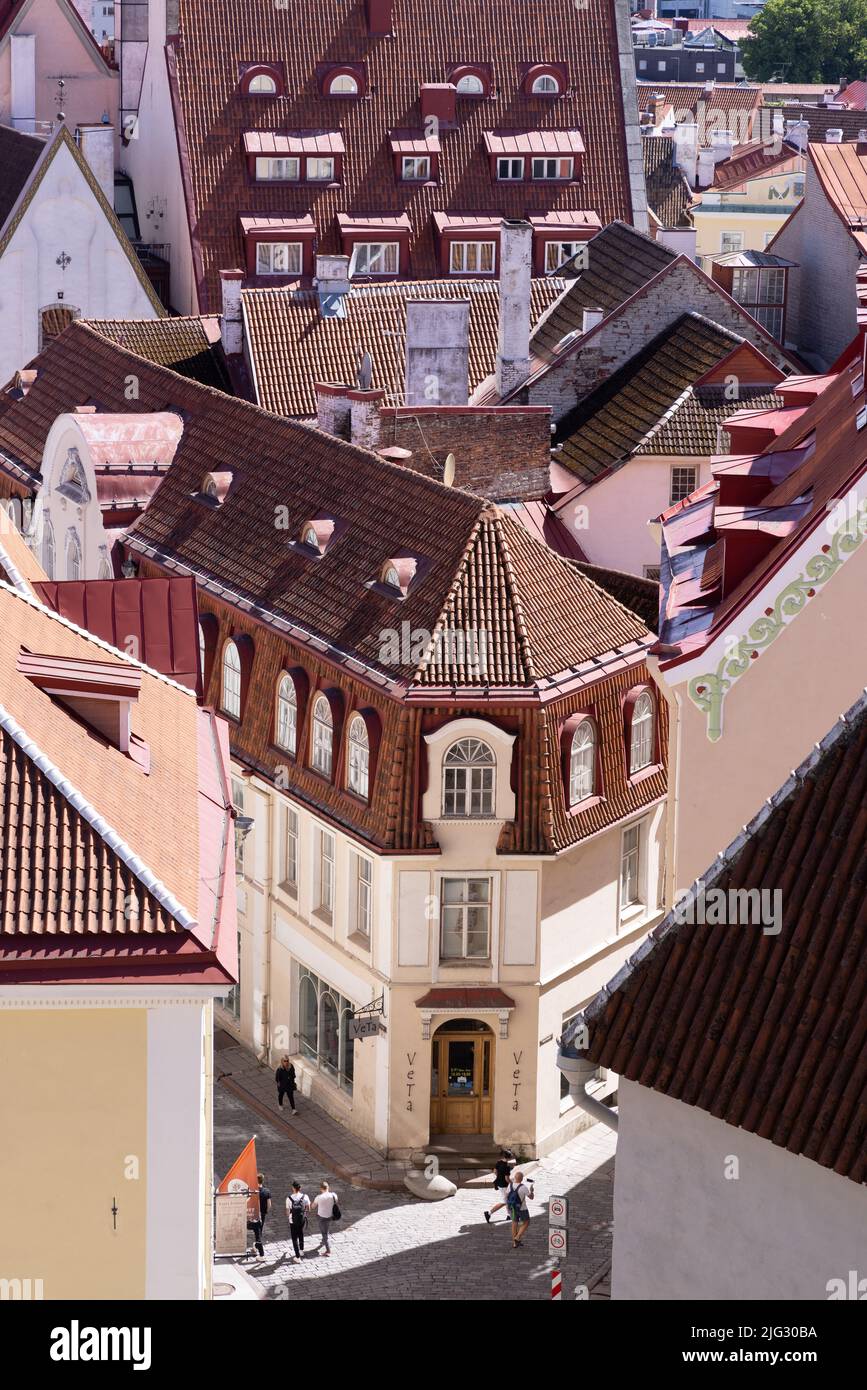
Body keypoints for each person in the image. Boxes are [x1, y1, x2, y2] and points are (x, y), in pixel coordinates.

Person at [484, 1149, 515, 1223]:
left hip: (499, 1183)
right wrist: (512, 1183)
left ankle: (509, 1215)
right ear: (509, 1158)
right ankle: (489, 1213)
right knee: (504, 1201)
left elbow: (495, 1171)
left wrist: (499, 1177)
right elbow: (507, 1179)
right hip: (504, 1185)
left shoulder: (498, 1162)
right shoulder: (507, 1167)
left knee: (506, 1200)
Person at [310, 1179, 339, 1256]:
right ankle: (324, 1241)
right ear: (328, 1188)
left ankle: (328, 1250)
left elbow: (313, 1207)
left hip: (321, 1217)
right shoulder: (334, 1195)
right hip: (330, 1216)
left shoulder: (319, 1197)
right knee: (326, 1229)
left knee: (324, 1233)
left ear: (321, 1189)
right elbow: (336, 1202)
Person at [508, 1170, 534, 1249]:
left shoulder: (510, 1185)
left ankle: (515, 1243)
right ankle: (517, 1237)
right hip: (522, 1208)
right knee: (526, 1222)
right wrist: (532, 1191)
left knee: (514, 1223)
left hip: (513, 1207)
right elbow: (531, 1197)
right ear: (522, 1179)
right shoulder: (523, 1187)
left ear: (514, 1178)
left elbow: (506, 1195)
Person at [286, 1181, 310, 1263]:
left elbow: (287, 1212)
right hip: (302, 1219)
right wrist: (303, 1213)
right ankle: (301, 1250)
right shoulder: (305, 1196)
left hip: (292, 1220)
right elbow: (308, 1208)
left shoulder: (289, 1198)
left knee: (294, 1238)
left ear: (293, 1188)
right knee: (301, 1233)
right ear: (300, 1188)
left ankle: (297, 1256)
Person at [248, 1172, 271, 1257]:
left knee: (257, 1232)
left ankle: (257, 1248)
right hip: (262, 1214)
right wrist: (265, 1211)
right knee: (259, 1230)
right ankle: (256, 1247)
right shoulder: (267, 1191)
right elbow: (269, 1205)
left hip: (253, 1214)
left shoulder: (253, 1191)